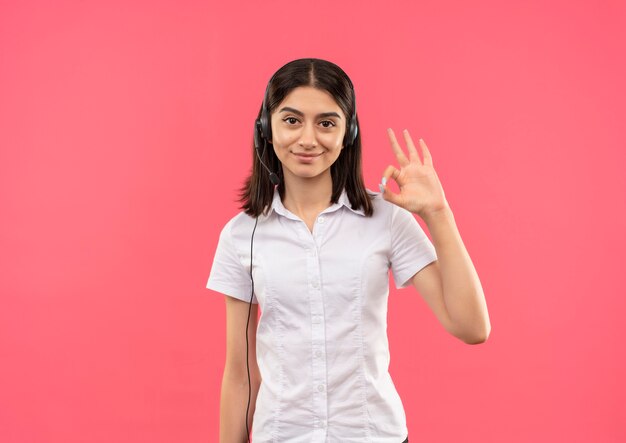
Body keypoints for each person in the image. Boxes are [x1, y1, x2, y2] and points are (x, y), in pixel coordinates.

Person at [207, 58, 491, 443]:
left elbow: (472, 327)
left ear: (348, 133)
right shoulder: (241, 236)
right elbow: (240, 376)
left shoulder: (386, 219)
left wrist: (438, 213)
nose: (308, 139)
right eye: (292, 120)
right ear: (265, 130)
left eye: (326, 123)